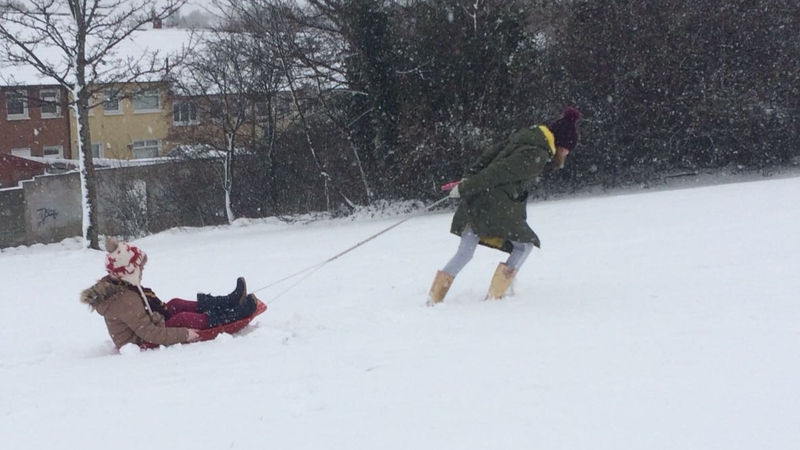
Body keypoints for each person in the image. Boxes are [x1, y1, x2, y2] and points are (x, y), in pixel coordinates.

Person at [427, 106, 581, 305]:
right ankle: (495, 297)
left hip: (478, 202)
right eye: (568, 149)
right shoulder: (536, 156)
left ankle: (434, 299)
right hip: (493, 207)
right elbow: (497, 172)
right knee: (525, 245)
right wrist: (466, 187)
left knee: (465, 252)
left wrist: (469, 180)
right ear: (561, 145)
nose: (567, 154)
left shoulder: (525, 138)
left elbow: (488, 159)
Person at [80, 237, 257, 348]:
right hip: (139, 342)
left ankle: (227, 301)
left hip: (145, 328)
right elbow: (148, 333)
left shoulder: (122, 286)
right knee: (182, 319)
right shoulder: (125, 300)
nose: (142, 272)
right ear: (130, 272)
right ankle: (232, 316)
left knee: (175, 304)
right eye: (140, 269)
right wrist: (184, 334)